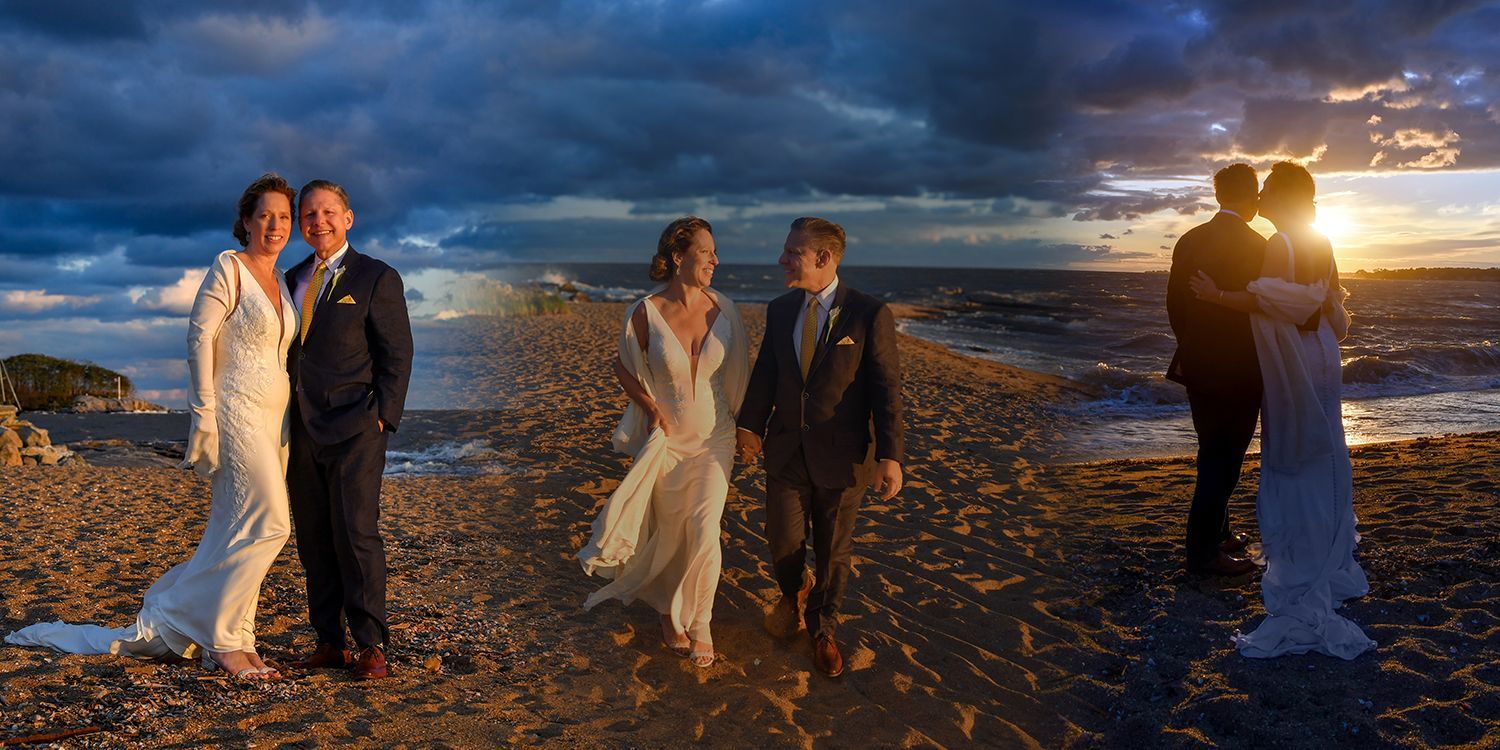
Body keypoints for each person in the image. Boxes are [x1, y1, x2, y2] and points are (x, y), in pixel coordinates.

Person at [6, 173, 300, 680]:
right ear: (247, 221)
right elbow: (199, 338)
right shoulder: (229, 268)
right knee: (271, 523)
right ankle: (223, 640)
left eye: (284, 216)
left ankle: (236, 634)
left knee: (235, 529)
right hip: (236, 409)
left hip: (278, 419)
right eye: (266, 215)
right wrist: (203, 413)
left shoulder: (284, 281)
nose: (276, 225)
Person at [1189, 161, 1374, 660]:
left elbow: (1272, 302)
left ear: (1284, 196)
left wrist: (1217, 295)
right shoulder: (1321, 239)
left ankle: (1303, 563)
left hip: (1294, 356)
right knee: (1322, 444)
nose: (1261, 193)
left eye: (1268, 186)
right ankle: (1327, 553)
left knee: (1294, 449)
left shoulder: (1280, 243)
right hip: (1322, 353)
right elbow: (1328, 308)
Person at [736, 217, 904, 678]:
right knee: (782, 540)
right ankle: (793, 592)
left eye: (792, 252)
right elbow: (767, 372)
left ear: (823, 258)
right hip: (786, 449)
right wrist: (749, 425)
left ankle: (822, 631)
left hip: (844, 456)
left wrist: (890, 455)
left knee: (833, 552)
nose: (782, 259)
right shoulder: (779, 309)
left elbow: (886, 389)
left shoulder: (870, 315)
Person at [578, 217, 749, 668]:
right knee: (671, 529)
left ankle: (701, 623)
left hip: (716, 438)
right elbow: (623, 366)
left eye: (714, 251)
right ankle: (667, 614)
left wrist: (749, 430)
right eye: (706, 251)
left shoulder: (725, 310)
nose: (715, 259)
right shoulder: (645, 311)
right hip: (668, 442)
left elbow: (739, 377)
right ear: (679, 256)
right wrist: (650, 409)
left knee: (705, 527)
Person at [284, 180, 413, 680]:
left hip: (358, 425)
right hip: (300, 431)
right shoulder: (290, 278)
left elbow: (396, 354)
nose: (319, 221)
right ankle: (328, 642)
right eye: (309, 214)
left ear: (349, 218)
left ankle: (370, 645)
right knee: (314, 539)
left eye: (328, 212)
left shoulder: (376, 277)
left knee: (357, 534)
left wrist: (384, 415)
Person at [1165, 164, 1265, 577]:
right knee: (1224, 460)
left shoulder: (1190, 239)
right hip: (1239, 367)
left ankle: (1221, 533)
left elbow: (1174, 305)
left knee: (1212, 448)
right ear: (1252, 197)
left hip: (1197, 363)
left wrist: (1193, 344)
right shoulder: (1258, 244)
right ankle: (1203, 554)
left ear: (1220, 195)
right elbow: (1263, 308)